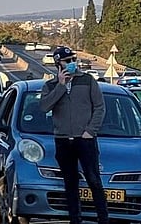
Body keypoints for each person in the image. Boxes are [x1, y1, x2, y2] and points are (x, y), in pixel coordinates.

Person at [39, 46, 108, 224]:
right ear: (58, 64)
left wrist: (89, 131)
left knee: (94, 180)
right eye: (67, 61)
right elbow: (44, 107)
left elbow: (99, 107)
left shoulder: (87, 80)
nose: (71, 63)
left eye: (73, 60)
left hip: (85, 139)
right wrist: (61, 86)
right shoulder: (50, 85)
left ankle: (103, 219)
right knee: (70, 183)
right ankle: (75, 219)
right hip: (63, 140)